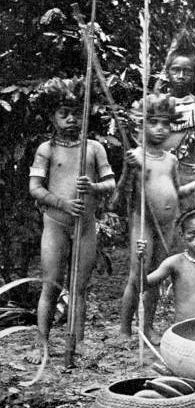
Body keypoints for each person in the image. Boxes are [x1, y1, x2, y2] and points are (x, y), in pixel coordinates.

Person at [28, 77, 115, 363]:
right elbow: (35, 188)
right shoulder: (47, 149)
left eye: (76, 112)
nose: (70, 118)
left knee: (80, 287)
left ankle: (74, 343)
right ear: (52, 116)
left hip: (85, 226)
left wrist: (93, 188)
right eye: (63, 113)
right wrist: (62, 202)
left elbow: (110, 182)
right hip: (55, 224)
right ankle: (41, 343)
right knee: (51, 284)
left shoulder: (93, 148)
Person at [120, 93, 195, 344]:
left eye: (165, 124)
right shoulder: (136, 156)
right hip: (143, 221)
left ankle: (148, 326)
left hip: (168, 223)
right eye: (153, 122)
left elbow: (175, 191)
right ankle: (124, 329)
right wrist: (129, 170)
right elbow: (122, 195)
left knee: (156, 275)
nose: (160, 129)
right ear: (141, 125)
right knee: (138, 275)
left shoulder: (172, 160)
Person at [154, 31, 195, 209]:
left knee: (189, 229)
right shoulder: (158, 104)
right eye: (176, 70)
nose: (181, 76)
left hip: (192, 178)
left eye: (187, 71)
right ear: (168, 72)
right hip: (160, 177)